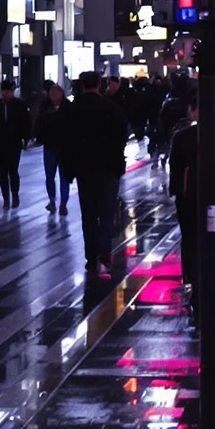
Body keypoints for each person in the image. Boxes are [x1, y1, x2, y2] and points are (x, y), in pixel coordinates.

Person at [64, 70, 129, 278]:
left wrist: (69, 168)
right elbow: (122, 135)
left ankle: (90, 256)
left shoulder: (74, 110)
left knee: (89, 214)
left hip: (84, 168)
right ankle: (105, 253)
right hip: (108, 167)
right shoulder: (111, 108)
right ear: (99, 84)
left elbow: (67, 141)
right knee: (107, 212)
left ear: (83, 85)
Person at [0, 77, 30, 210]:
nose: (5, 94)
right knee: (2, 173)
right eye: (3, 91)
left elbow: (26, 123)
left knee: (13, 170)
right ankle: (6, 197)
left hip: (14, 143)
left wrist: (25, 138)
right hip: (0, 144)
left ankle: (14, 193)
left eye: (8, 91)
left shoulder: (19, 105)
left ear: (12, 92)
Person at [36, 80, 71, 215]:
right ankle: (55, 201)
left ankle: (61, 202)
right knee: (53, 176)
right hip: (53, 146)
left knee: (61, 176)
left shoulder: (51, 108)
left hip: (60, 147)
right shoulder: (47, 108)